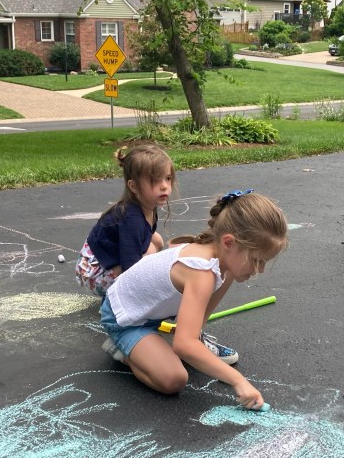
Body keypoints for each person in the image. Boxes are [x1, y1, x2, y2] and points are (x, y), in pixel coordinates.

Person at [99, 190, 288, 410]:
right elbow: (183, 345)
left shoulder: (222, 262)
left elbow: (193, 329)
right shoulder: (202, 272)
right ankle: (122, 351)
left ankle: (162, 344)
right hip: (125, 319)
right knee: (174, 379)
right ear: (229, 242)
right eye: (256, 260)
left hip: (149, 313)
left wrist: (192, 340)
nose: (260, 269)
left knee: (189, 346)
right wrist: (238, 380)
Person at [75, 144, 172, 298]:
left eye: (168, 178)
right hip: (92, 274)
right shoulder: (131, 218)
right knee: (150, 253)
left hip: (102, 262)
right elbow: (130, 266)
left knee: (157, 241)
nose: (164, 186)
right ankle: (114, 300)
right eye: (155, 181)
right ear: (133, 186)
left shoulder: (148, 206)